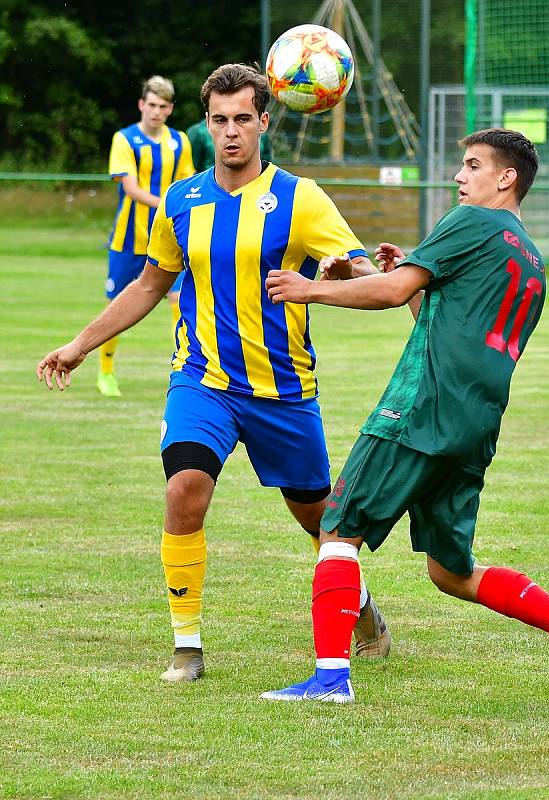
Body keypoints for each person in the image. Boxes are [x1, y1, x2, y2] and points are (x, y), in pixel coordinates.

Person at [36, 63, 390, 682]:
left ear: (264, 122)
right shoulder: (183, 200)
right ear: (207, 124)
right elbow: (150, 285)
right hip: (201, 380)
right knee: (184, 490)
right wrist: (80, 344)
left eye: (243, 120)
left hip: (283, 391)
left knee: (318, 520)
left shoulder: (302, 198)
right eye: (220, 121)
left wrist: (386, 278)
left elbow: (357, 267)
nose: (231, 133)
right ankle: (187, 645)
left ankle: (360, 606)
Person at [260, 128, 549, 704]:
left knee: (337, 527)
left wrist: (310, 290)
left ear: (505, 179)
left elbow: (394, 294)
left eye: (472, 165)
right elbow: (433, 320)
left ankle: (330, 679)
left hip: (418, 410)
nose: (459, 175)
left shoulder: (472, 223)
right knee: (451, 571)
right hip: (473, 425)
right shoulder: (528, 259)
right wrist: (384, 275)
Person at [99, 75, 195, 397]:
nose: (156, 111)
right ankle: (106, 371)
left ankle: (184, 370)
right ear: (142, 105)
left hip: (170, 238)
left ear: (170, 109)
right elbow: (131, 189)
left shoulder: (180, 141)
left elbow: (186, 186)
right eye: (151, 105)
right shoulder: (124, 139)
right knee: (117, 304)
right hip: (129, 239)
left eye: (162, 106)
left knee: (178, 300)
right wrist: (169, 204)